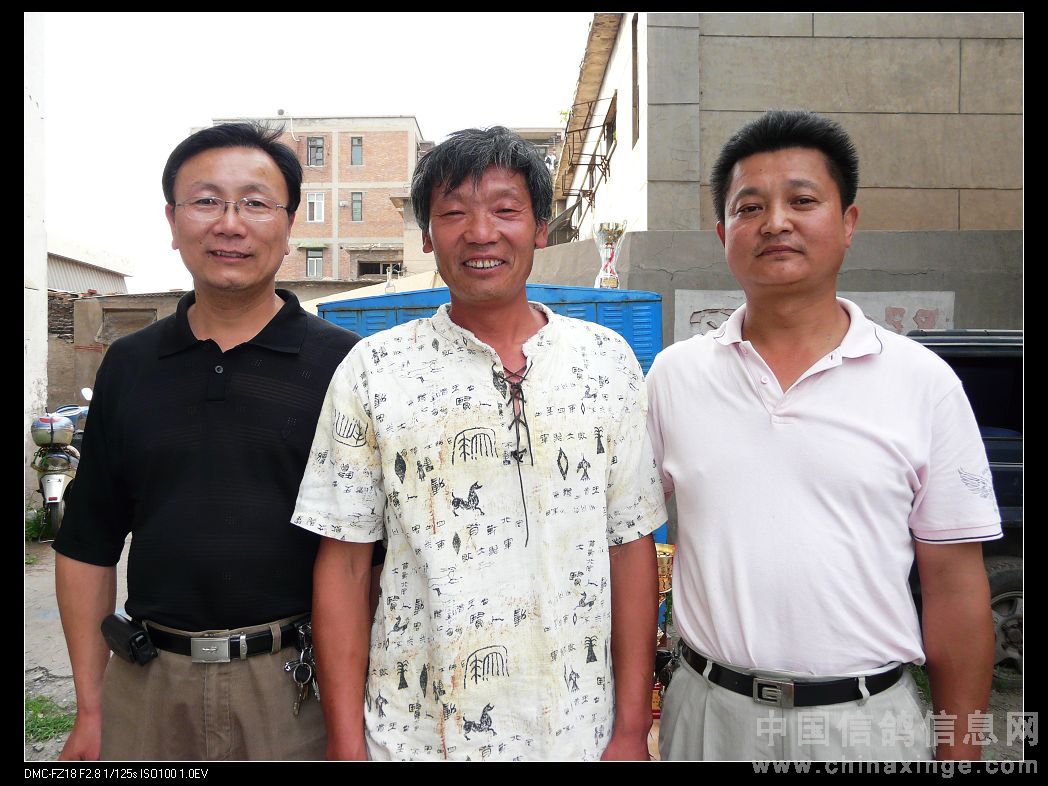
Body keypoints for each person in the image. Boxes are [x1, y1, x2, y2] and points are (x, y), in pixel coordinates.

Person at [292, 127, 667, 761]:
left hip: (576, 735)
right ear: (427, 235)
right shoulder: (374, 370)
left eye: (505, 209)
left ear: (541, 229)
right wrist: (346, 744)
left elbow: (630, 548)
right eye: (454, 213)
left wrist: (630, 730)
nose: (481, 232)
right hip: (415, 738)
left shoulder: (605, 361)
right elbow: (346, 565)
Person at [647, 110, 1001, 761]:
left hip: (864, 724)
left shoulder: (923, 383)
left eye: (803, 201)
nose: (775, 222)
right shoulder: (675, 378)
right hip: (708, 717)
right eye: (750, 207)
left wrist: (962, 750)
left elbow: (955, 588)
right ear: (723, 233)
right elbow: (630, 543)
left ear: (848, 223)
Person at [53, 123, 362, 760]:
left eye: (255, 203)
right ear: (172, 221)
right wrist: (91, 707)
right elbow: (88, 542)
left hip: (295, 689)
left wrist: (348, 721)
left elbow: (368, 558)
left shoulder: (345, 365)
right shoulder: (129, 364)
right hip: (147, 685)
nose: (229, 224)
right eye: (205, 201)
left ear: (289, 224)